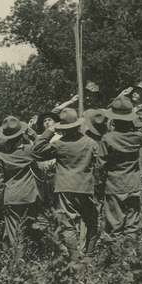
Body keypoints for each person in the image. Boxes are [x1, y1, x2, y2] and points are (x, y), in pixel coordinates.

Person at [33, 107, 99, 259]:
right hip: (85, 187)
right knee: (92, 222)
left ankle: (75, 260)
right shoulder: (90, 142)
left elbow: (36, 151)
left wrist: (49, 131)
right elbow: (101, 164)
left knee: (68, 226)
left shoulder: (59, 145)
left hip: (64, 188)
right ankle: (89, 256)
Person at [98, 96, 142, 240]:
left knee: (115, 226)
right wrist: (136, 119)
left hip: (114, 184)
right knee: (132, 225)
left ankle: (115, 256)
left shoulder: (108, 139)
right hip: (133, 183)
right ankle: (129, 255)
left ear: (114, 119)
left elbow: (100, 164)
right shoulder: (137, 137)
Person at [0, 116, 44, 249]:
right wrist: (34, 135)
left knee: (12, 232)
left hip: (11, 197)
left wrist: (1, 200)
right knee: (28, 228)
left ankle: (15, 261)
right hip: (29, 195)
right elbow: (43, 147)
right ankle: (29, 256)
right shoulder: (28, 151)